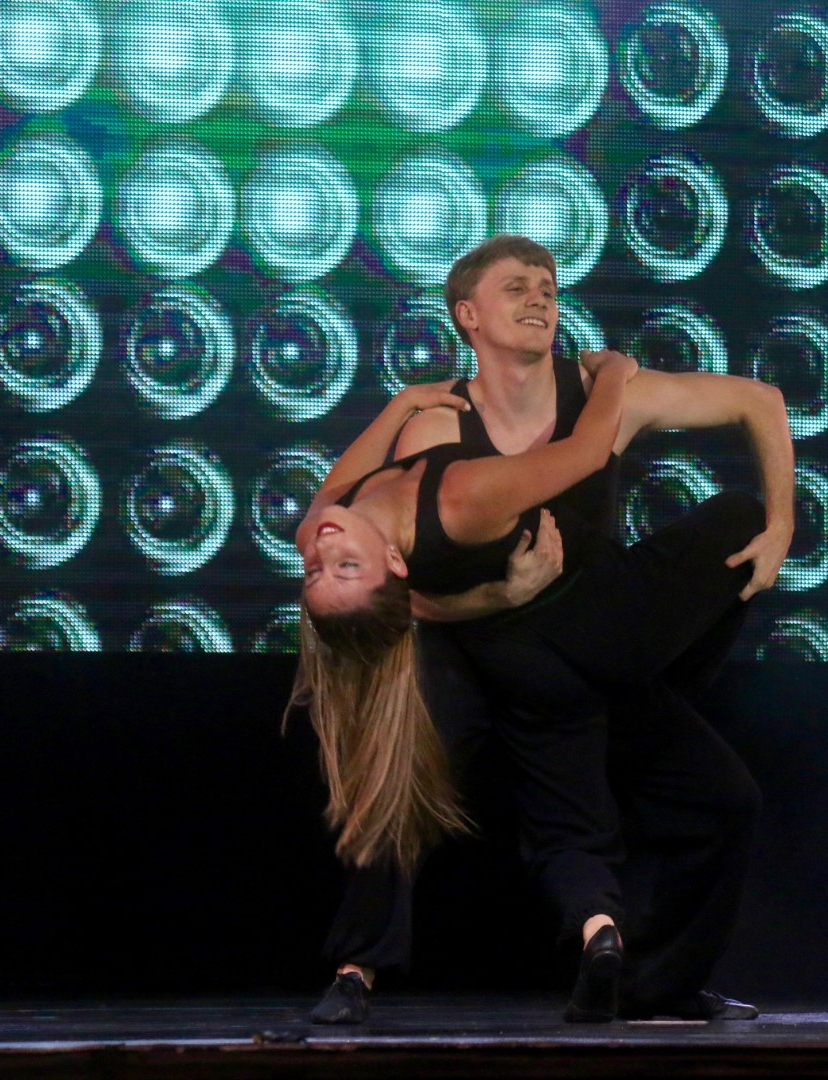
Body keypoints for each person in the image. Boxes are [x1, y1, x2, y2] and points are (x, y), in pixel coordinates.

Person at [296, 235, 794, 1022]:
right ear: (468, 316)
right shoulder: (440, 428)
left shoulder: (597, 396)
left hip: (575, 651)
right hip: (465, 647)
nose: (539, 297)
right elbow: (396, 584)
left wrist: (783, 524)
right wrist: (492, 597)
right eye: (517, 286)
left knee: (727, 800)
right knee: (396, 781)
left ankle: (657, 985)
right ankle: (356, 971)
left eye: (548, 287)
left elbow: (759, 402)